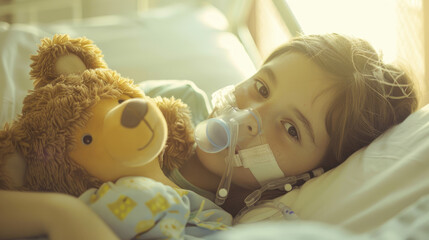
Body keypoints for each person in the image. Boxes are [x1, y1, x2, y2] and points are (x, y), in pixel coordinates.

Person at [0, 33, 420, 239]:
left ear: (314, 174)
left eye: (291, 129)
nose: (250, 117)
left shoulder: (236, 224)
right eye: (261, 88)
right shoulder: (169, 105)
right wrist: (55, 210)